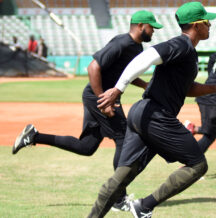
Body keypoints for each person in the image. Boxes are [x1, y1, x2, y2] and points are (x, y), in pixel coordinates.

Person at [88, 2, 216, 217]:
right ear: (196, 25)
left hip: (143, 112)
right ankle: (144, 205)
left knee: (124, 174)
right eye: (206, 21)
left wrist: (215, 88)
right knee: (197, 165)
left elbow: (187, 88)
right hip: (156, 115)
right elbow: (144, 58)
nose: (210, 24)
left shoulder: (188, 52)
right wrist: (117, 89)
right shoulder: (181, 44)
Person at [12, 10, 163, 212]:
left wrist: (145, 85)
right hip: (99, 97)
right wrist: (103, 102)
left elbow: (125, 74)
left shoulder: (135, 47)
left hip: (100, 97)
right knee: (124, 138)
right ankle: (118, 198)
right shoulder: (122, 43)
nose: (153, 31)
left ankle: (34, 136)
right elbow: (93, 68)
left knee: (86, 146)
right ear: (141, 25)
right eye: (151, 27)